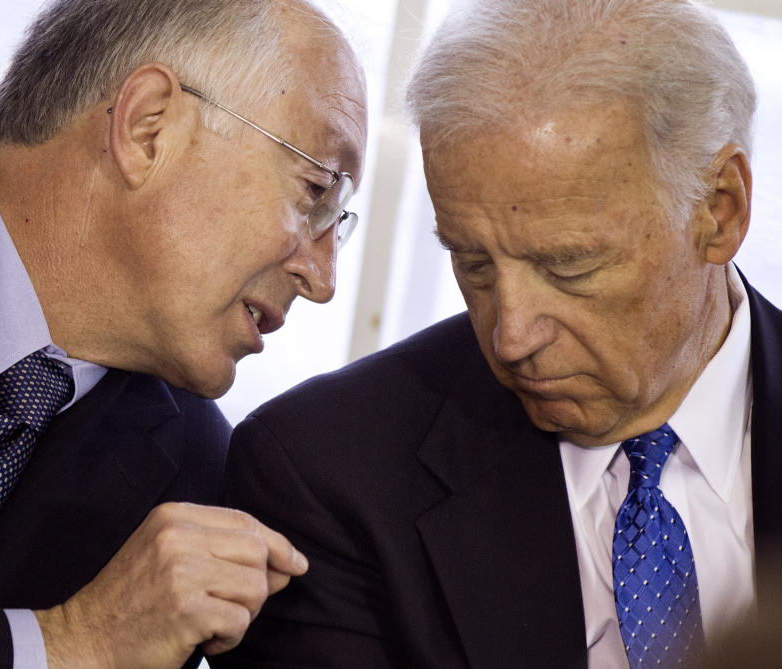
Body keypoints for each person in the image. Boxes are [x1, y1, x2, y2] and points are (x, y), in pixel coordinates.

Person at [215, 0, 780, 667]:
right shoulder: (324, 477)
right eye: (473, 263)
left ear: (720, 210)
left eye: (568, 266)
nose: (511, 337)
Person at [0, 0, 367, 666]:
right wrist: (71, 642)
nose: (323, 278)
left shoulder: (203, 473)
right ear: (147, 127)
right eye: (315, 191)